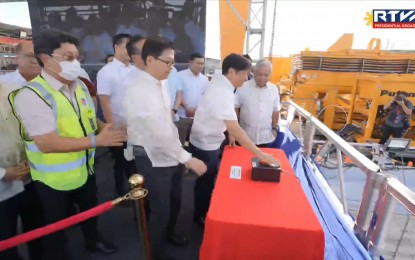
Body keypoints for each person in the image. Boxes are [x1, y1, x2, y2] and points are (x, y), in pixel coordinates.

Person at [9, 29, 125, 260]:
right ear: (45, 59)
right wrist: (97, 141)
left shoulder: (79, 86)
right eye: (68, 57)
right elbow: (46, 143)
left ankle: (93, 240)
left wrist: (102, 127)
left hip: (85, 168)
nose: (75, 63)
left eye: (77, 58)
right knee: (56, 227)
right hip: (53, 179)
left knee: (90, 212)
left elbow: (88, 119)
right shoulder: (33, 95)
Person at [124, 36, 207, 260]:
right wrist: (187, 158)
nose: (171, 67)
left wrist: (179, 154)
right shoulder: (140, 89)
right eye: (167, 62)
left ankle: (168, 236)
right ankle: (153, 253)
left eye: (173, 62)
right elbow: (156, 131)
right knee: (160, 211)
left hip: (169, 153)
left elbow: (165, 123)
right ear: (150, 59)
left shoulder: (159, 82)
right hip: (151, 156)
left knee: (174, 202)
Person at [189, 53, 280, 227]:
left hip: (209, 138)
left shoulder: (221, 84)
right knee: (205, 182)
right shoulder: (222, 92)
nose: (247, 78)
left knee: (208, 180)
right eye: (245, 74)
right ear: (231, 72)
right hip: (206, 143)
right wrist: (261, 154)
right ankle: (200, 215)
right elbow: (235, 128)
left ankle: (204, 210)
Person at [0, 41, 43, 260]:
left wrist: (29, 158)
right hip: (3, 184)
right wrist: (3, 173)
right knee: (6, 240)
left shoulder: (8, 89)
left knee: (37, 229)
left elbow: (23, 129)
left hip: (28, 173)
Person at [97, 33, 134, 196]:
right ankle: (121, 193)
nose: (130, 51)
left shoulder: (136, 70)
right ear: (116, 47)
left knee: (134, 163)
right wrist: (113, 129)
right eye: (127, 46)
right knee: (121, 163)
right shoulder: (106, 72)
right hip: (119, 128)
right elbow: (105, 102)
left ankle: (137, 193)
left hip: (136, 127)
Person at [235, 59, 281, 147]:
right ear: (254, 72)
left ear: (270, 75)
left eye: (266, 75)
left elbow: (276, 111)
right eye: (260, 74)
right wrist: (235, 130)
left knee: (261, 161)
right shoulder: (243, 87)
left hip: (266, 138)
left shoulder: (274, 89)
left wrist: (274, 129)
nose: (262, 78)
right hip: (245, 137)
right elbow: (235, 109)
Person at [177, 53, 208, 145]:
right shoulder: (179, 76)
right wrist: (187, 108)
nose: (200, 66)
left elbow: (205, 97)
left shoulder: (205, 79)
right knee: (179, 144)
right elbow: (178, 94)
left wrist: (196, 110)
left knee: (195, 145)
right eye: (198, 63)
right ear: (190, 62)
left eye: (202, 63)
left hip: (197, 117)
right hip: (182, 116)